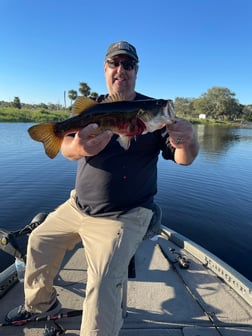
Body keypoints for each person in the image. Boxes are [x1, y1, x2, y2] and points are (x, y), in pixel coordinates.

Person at [6, 41, 199, 335]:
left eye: (128, 65)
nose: (121, 70)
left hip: (127, 214)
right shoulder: (95, 107)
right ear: (106, 69)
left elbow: (185, 159)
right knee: (39, 242)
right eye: (115, 64)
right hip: (77, 206)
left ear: (136, 71)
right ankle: (42, 305)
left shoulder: (153, 112)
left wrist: (189, 140)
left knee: (104, 278)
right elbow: (68, 150)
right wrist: (77, 145)